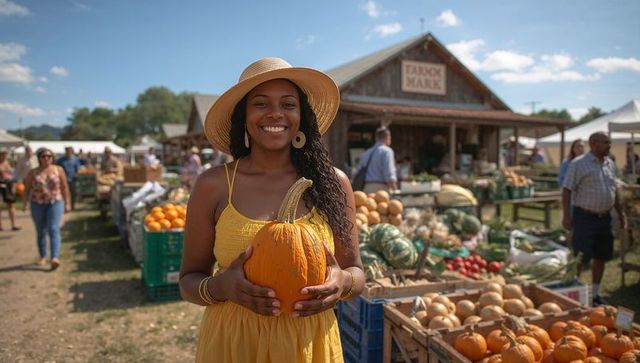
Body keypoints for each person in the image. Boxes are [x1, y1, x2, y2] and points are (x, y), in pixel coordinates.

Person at [179, 57, 363, 362]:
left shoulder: (333, 183)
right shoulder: (213, 185)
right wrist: (220, 286)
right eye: (261, 104)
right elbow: (188, 280)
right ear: (244, 116)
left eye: (288, 104)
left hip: (309, 346)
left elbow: (356, 272)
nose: (275, 113)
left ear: (301, 116)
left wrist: (342, 282)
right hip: (234, 345)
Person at [562, 132, 627, 306]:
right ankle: (574, 292)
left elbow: (614, 190)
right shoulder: (579, 164)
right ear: (594, 144)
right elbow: (567, 189)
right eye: (606, 142)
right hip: (584, 217)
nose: (609, 145)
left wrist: (621, 214)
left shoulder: (610, 164)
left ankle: (595, 294)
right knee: (580, 256)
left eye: (610, 142)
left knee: (601, 255)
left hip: (604, 219)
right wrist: (566, 215)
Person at [22, 147, 71, 270]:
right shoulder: (33, 172)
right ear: (39, 158)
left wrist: (67, 203)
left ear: (52, 157)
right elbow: (26, 189)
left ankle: (54, 257)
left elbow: (65, 187)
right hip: (37, 203)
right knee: (41, 230)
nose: (46, 158)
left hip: (55, 202)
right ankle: (43, 255)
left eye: (49, 156)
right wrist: (24, 203)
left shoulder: (58, 170)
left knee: (53, 228)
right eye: (43, 156)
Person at [355, 126, 397, 193]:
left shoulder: (366, 153)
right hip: (381, 189)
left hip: (366, 187)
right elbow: (389, 174)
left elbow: (358, 172)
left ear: (376, 138)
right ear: (387, 137)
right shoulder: (387, 151)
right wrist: (395, 190)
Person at [0, 148, 20, 231]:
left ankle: (14, 224)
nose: (4, 155)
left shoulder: (9, 163)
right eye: (2, 154)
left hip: (8, 185)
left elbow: (14, 175)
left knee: (11, 205)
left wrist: (14, 186)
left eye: (5, 153)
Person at [57, 146, 81, 211]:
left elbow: (78, 168)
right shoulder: (60, 160)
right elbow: (57, 169)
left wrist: (76, 174)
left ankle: (72, 206)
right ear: (66, 152)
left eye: (71, 151)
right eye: (68, 151)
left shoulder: (75, 159)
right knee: (63, 193)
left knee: (73, 193)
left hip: (72, 179)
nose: (69, 152)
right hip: (63, 179)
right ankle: (65, 206)